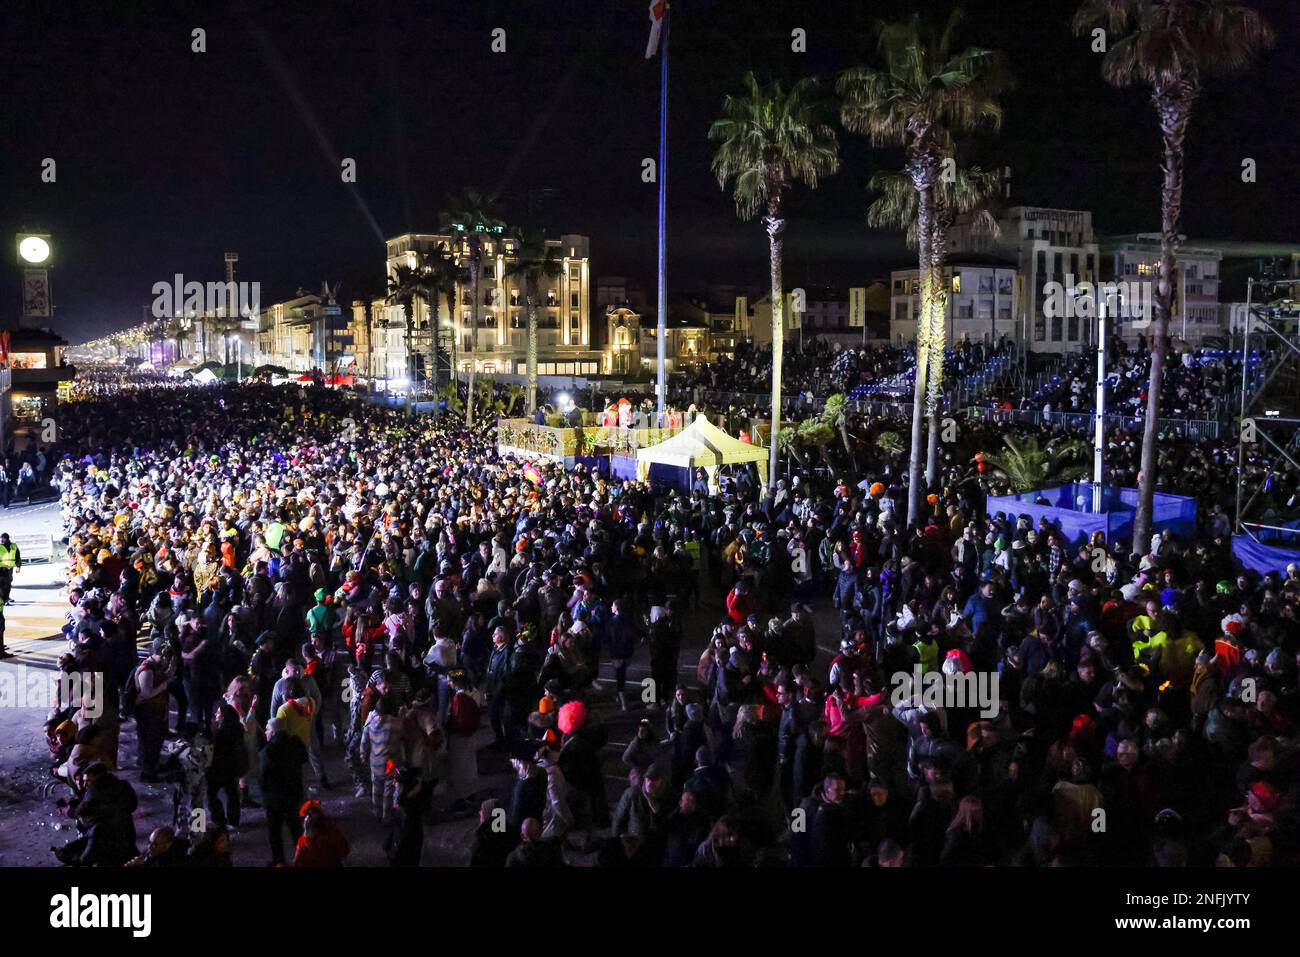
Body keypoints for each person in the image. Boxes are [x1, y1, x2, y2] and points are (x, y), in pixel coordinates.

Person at [259, 718, 308, 866]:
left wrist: (265, 797)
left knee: (275, 833)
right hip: (293, 794)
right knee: (296, 829)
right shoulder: (295, 743)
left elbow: (263, 777)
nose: (266, 732)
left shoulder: (268, 751)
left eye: (267, 729)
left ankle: (278, 860)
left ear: (273, 732)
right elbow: (303, 758)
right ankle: (303, 857)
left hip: (274, 799)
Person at [0, 532, 21, 604]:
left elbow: (17, 556)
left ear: (7, 538)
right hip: (1, 568)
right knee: (2, 584)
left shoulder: (14, 546)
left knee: (8, 584)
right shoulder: (0, 547)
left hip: (10, 569)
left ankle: (6, 598)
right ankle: (4, 599)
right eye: (1, 538)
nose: (2, 540)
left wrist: (18, 566)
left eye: (3, 538)